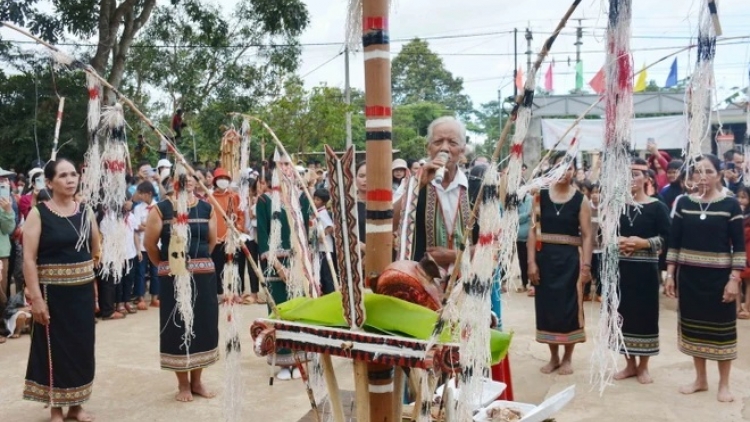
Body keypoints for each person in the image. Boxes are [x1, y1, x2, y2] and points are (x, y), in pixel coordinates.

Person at [22, 158, 101, 422]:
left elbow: (94, 251)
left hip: (81, 294)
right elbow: (29, 259)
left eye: (73, 174)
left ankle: (77, 407)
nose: (70, 179)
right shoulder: (38, 213)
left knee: (81, 348)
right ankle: (56, 408)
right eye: (63, 175)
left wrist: (92, 285)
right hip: (51, 295)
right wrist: (35, 298)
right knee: (52, 349)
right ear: (49, 182)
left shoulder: (86, 211)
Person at [665, 154, 743, 403]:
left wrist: (734, 279)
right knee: (693, 329)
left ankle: (724, 384)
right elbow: (674, 242)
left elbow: (739, 247)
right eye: (698, 171)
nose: (703, 176)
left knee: (722, 332)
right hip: (690, 278)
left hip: (719, 279)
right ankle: (700, 379)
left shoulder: (730, 205)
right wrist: (670, 274)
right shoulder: (684, 203)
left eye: (708, 171)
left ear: (719, 175)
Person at [144, 172, 219, 402]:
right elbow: (150, 245)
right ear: (173, 183)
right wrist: (168, 266)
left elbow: (212, 241)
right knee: (177, 325)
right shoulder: (161, 209)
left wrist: (198, 263)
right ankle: (183, 384)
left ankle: (197, 382)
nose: (188, 181)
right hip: (174, 277)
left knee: (203, 325)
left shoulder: (207, 208)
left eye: (192, 177)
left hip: (203, 276)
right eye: (182, 178)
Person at [527, 153, 593, 376]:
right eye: (560, 168)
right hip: (544, 260)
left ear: (574, 171)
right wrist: (531, 263)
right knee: (547, 309)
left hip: (570, 261)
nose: (565, 173)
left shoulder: (580, 200)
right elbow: (533, 232)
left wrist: (586, 265)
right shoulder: (540, 197)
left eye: (569, 168)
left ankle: (567, 358)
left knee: (569, 308)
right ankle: (553, 357)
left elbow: (586, 235)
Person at [613, 158, 671, 384]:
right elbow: (604, 234)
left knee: (645, 316)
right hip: (622, 270)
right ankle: (629, 365)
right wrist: (619, 240)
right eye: (628, 174)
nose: (632, 179)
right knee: (623, 315)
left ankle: (644, 366)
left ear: (647, 179)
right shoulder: (617, 205)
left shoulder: (657, 206)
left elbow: (667, 237)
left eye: (637, 174)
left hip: (646, 272)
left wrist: (644, 243)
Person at [256, 159, 311, 380]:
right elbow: (262, 235)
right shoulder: (264, 201)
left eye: (289, 167)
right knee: (278, 311)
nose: (286, 171)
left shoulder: (303, 199)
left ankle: (300, 359)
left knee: (300, 310)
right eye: (281, 168)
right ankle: (282, 362)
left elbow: (306, 236)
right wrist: (278, 267)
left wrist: (302, 265)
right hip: (275, 266)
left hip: (299, 264)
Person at [393, 116, 472, 269]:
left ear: (462, 150)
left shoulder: (476, 187)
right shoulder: (412, 183)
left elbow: (493, 242)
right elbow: (390, 224)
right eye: (438, 142)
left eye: (452, 142)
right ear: (428, 148)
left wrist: (452, 255)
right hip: (421, 280)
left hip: (466, 284)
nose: (444, 148)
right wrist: (417, 186)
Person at [210, 168, 245, 297]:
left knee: (235, 265)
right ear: (215, 181)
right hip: (217, 238)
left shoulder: (234, 197)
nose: (223, 181)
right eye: (220, 179)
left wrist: (238, 229)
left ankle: (236, 292)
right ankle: (219, 293)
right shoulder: (210, 198)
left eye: (225, 178)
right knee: (218, 266)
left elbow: (241, 215)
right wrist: (212, 236)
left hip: (232, 238)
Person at [132, 181, 159, 310]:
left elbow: (158, 227)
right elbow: (137, 226)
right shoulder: (138, 208)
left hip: (156, 244)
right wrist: (149, 227)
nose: (140, 196)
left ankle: (155, 297)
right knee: (141, 272)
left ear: (149, 193)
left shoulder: (158, 207)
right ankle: (141, 298)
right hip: (142, 245)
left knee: (155, 271)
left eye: (141, 193)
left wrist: (146, 226)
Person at [313, 188, 336, 295]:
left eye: (317, 199)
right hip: (321, 248)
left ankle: (330, 293)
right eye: (315, 198)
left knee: (326, 274)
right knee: (322, 273)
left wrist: (322, 236)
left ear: (323, 202)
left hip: (325, 248)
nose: (314, 201)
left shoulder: (322, 213)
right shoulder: (317, 212)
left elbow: (331, 226)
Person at [737, 185, 750, 319]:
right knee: (736, 279)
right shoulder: (738, 212)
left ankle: (747, 308)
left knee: (748, 281)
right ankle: (737, 307)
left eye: (744, 197)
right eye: (738, 197)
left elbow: (744, 233)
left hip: (748, 251)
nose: (740, 200)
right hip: (738, 250)